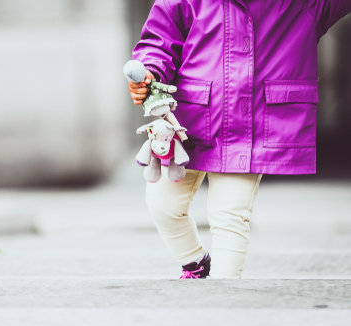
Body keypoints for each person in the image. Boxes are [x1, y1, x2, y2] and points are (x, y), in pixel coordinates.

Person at [128, 0, 351, 279]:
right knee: (162, 203)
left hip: (253, 129)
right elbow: (160, 40)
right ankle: (195, 262)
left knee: (229, 216)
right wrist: (150, 72)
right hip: (190, 122)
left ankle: (224, 298)